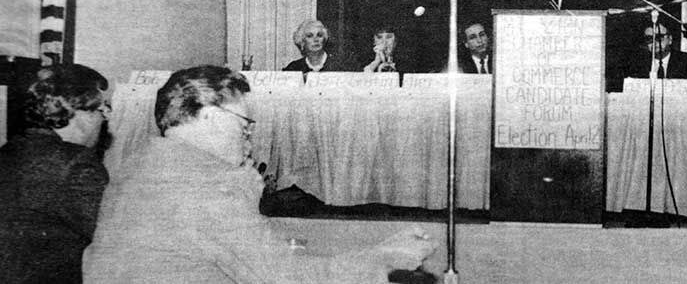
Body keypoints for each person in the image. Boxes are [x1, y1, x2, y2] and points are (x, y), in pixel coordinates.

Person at [83, 65, 436, 283]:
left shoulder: (139, 166)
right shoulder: (204, 189)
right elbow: (289, 279)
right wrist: (385, 257)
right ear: (209, 117)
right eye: (244, 125)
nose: (249, 138)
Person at [0, 64, 111, 284]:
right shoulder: (76, 163)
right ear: (72, 111)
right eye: (100, 109)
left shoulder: (8, 151)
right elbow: (111, 237)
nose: (105, 117)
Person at [623, 22, 687, 79]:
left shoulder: (686, 61)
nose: (654, 42)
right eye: (649, 38)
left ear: (670, 39)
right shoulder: (637, 63)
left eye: (659, 37)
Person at [282, 20, 353, 73]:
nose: (316, 39)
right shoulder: (294, 68)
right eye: (310, 36)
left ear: (324, 40)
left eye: (319, 35)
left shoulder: (340, 65)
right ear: (302, 42)